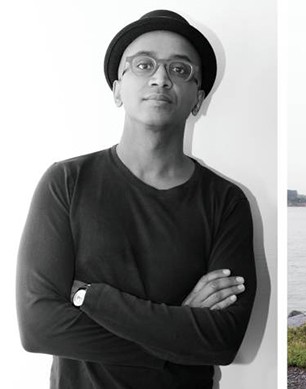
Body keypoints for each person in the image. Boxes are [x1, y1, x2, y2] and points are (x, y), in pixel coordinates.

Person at [16, 10, 257, 388]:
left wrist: (95, 300)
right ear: (117, 88)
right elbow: (39, 327)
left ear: (198, 98)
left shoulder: (226, 202)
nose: (160, 78)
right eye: (144, 65)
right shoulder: (66, 182)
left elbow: (223, 340)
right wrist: (179, 329)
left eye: (179, 69)